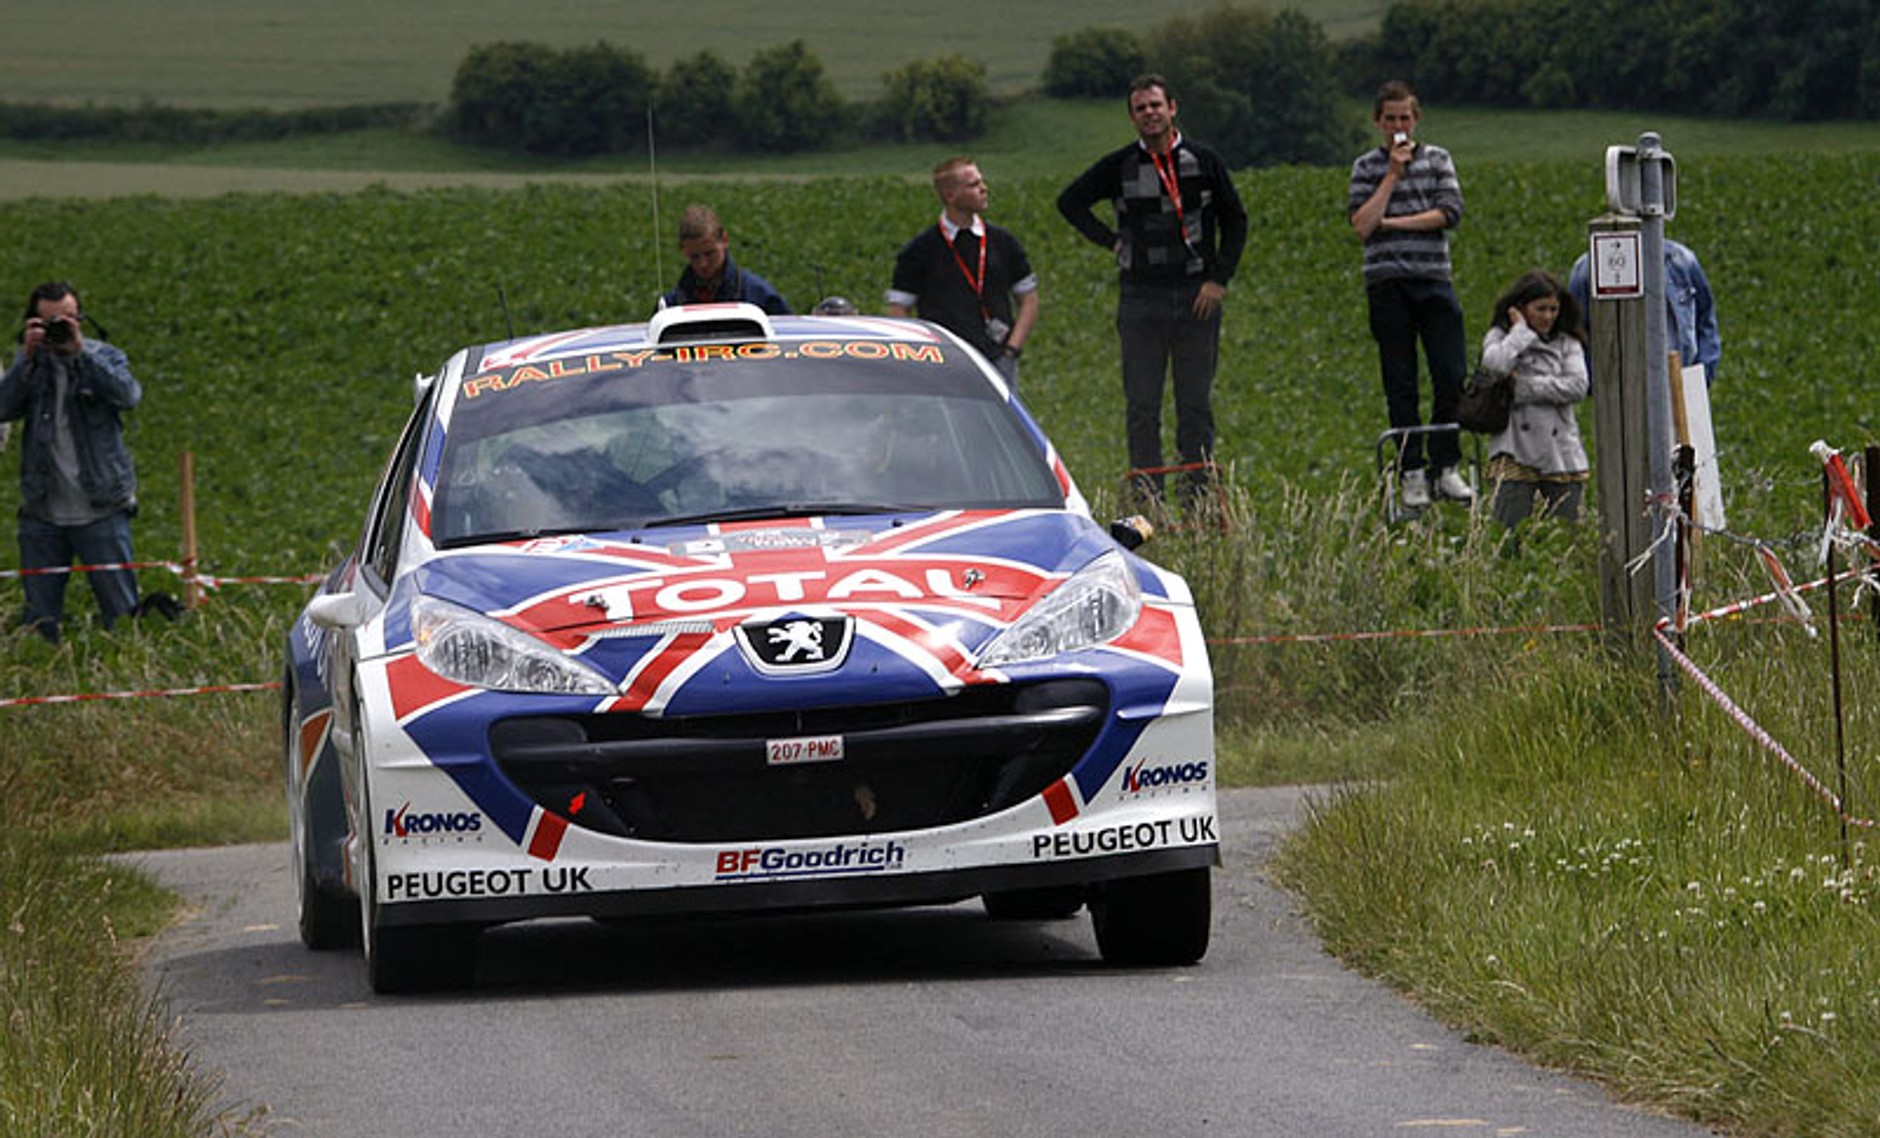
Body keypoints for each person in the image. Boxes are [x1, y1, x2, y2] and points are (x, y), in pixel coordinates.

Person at [1057, 73, 1247, 512]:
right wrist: (1109, 240)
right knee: (1142, 404)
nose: (1149, 114)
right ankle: (1149, 500)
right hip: (1141, 297)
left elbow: (1236, 220)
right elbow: (1070, 203)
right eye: (1140, 108)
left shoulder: (1204, 160)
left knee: (1195, 404)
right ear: (1132, 117)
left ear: (1173, 108)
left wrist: (1219, 278)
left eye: (1155, 105)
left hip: (1196, 294)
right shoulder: (1119, 166)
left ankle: (1197, 497)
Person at [1347, 79, 1473, 509]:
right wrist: (1392, 176)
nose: (1398, 126)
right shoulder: (1366, 167)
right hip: (1387, 285)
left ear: (1416, 118)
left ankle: (1446, 466)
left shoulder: (1439, 159)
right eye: (1390, 119)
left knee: (1450, 373)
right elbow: (1362, 223)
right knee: (1400, 383)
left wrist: (1394, 223)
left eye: (1405, 118)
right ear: (1379, 122)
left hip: (1433, 278)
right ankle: (1411, 471)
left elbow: (1449, 213)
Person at [0, 281, 142, 642]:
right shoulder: (31, 365)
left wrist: (79, 352)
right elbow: (3, 407)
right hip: (43, 509)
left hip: (102, 507)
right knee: (39, 622)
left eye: (66, 320)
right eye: (48, 322)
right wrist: (27, 360)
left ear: (80, 319)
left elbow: (128, 395)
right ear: (33, 324)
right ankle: (46, 678)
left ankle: (127, 677)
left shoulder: (104, 356)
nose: (57, 330)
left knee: (122, 614)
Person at [886, 157, 1038, 385]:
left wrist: (1011, 350)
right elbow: (898, 310)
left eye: (982, 182)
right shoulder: (920, 250)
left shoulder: (1003, 242)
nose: (984, 189)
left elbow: (1029, 299)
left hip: (997, 358)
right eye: (973, 185)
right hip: (944, 363)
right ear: (950, 195)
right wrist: (921, 354)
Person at [1478, 269, 1590, 528]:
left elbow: (1576, 386)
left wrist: (1521, 387)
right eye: (1541, 309)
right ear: (1520, 308)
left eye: (1553, 309)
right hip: (1514, 449)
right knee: (1508, 532)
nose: (1548, 316)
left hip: (1560, 452)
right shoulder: (1500, 337)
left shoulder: (1566, 342)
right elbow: (1495, 366)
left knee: (1566, 534)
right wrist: (1519, 333)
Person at [1567, 238, 1720, 383]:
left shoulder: (1681, 260)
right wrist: (1598, 383)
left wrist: (1702, 375)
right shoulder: (1588, 268)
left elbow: (1705, 319)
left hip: (1680, 381)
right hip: (1621, 390)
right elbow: (1577, 329)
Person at [660, 204, 791, 315]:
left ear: (724, 240)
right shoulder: (671, 306)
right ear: (682, 250)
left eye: (710, 254)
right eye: (695, 257)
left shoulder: (760, 297)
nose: (703, 264)